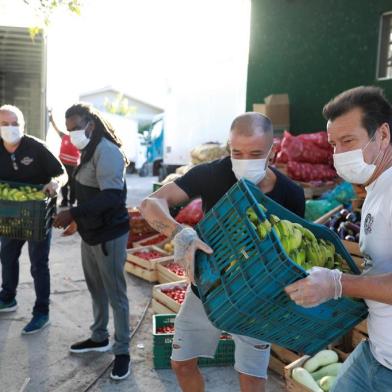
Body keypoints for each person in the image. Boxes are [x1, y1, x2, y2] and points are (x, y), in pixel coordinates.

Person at [141, 112, 305, 392]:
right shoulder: (211, 174)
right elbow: (151, 203)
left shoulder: (291, 194)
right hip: (206, 290)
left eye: (255, 153)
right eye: (236, 152)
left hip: (256, 299)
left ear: (272, 151)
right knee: (181, 363)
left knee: (252, 378)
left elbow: (293, 252)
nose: (243, 160)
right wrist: (179, 233)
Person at [285, 86, 392, 392]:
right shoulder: (375, 187)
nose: (340, 154)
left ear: (382, 135)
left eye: (348, 141)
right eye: (334, 144)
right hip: (375, 355)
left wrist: (338, 283)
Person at [53, 103, 131, 381]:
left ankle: (122, 351)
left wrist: (72, 212)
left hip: (109, 235)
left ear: (91, 124)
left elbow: (111, 197)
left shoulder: (106, 151)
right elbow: (89, 195)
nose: (72, 133)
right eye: (69, 129)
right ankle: (99, 337)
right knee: (96, 289)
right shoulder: (87, 149)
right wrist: (78, 222)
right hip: (91, 233)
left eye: (76, 127)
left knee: (116, 295)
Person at [0, 104, 67, 334]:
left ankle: (41, 312)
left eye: (15, 124)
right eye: (5, 124)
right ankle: (8, 297)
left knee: (39, 264)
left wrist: (55, 183)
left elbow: (62, 172)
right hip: (10, 215)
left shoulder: (36, 148)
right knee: (7, 257)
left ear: (23, 126)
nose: (10, 128)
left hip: (38, 212)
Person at [49, 110, 80, 207]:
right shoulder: (64, 136)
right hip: (63, 165)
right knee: (64, 185)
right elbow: (56, 128)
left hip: (74, 167)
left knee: (73, 185)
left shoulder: (79, 138)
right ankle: (65, 201)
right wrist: (51, 119)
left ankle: (71, 202)